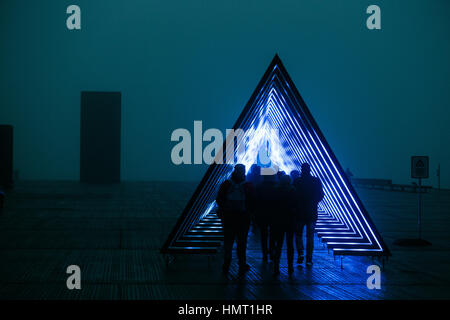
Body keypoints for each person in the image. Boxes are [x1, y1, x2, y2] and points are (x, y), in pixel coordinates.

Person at [216, 164, 253, 274]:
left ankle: (226, 263)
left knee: (228, 242)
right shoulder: (248, 185)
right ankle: (242, 263)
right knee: (242, 242)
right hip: (243, 218)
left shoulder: (226, 184)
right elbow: (253, 200)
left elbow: (219, 199)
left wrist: (223, 210)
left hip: (228, 217)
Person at [293, 163, 324, 267]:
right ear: (310, 170)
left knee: (298, 234)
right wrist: (314, 202)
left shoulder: (297, 181)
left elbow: (293, 195)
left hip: (299, 213)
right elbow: (321, 195)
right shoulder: (316, 181)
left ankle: (300, 253)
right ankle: (309, 259)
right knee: (310, 236)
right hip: (311, 213)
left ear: (301, 170)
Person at [271, 174, 297, 275]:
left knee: (279, 244)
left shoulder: (276, 190)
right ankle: (290, 266)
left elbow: (272, 205)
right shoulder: (293, 190)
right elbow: (296, 205)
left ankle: (276, 266)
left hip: (278, 220)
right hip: (289, 220)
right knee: (290, 244)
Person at [254, 173, 277, 262]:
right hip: (274, 214)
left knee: (263, 234)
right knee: (273, 234)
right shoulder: (276, 187)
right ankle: (272, 251)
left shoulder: (259, 187)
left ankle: (264, 253)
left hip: (262, 214)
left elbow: (255, 200)